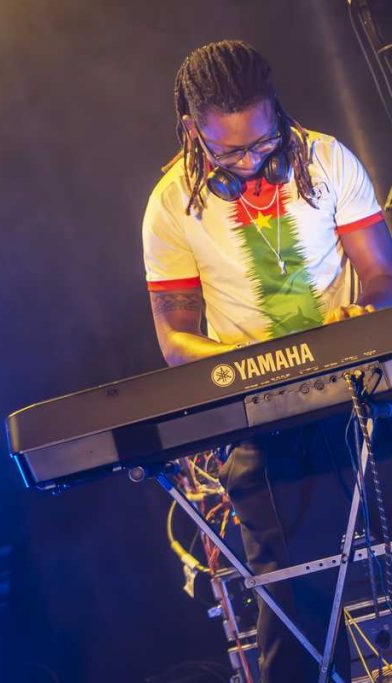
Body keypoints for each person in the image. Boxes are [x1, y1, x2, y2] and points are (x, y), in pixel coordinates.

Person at [142, 40, 392, 681]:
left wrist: (362, 315)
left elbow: (381, 276)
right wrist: (251, 364)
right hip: (266, 421)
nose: (252, 162)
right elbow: (175, 341)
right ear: (191, 131)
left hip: (365, 390)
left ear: (276, 110)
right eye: (229, 153)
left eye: (262, 142)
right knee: (291, 606)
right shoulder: (171, 206)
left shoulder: (327, 160)